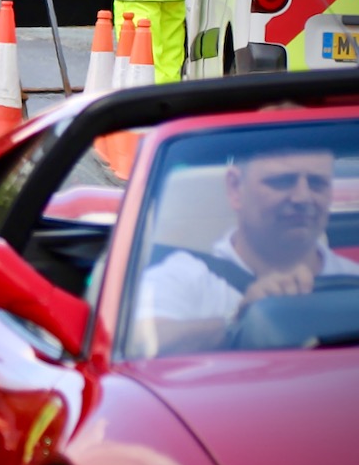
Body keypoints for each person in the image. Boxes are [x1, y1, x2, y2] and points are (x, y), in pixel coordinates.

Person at [136, 144, 359, 355]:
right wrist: (238, 322)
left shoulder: (353, 282)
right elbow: (141, 344)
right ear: (235, 187)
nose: (303, 197)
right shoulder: (181, 278)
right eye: (283, 181)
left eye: (317, 183)